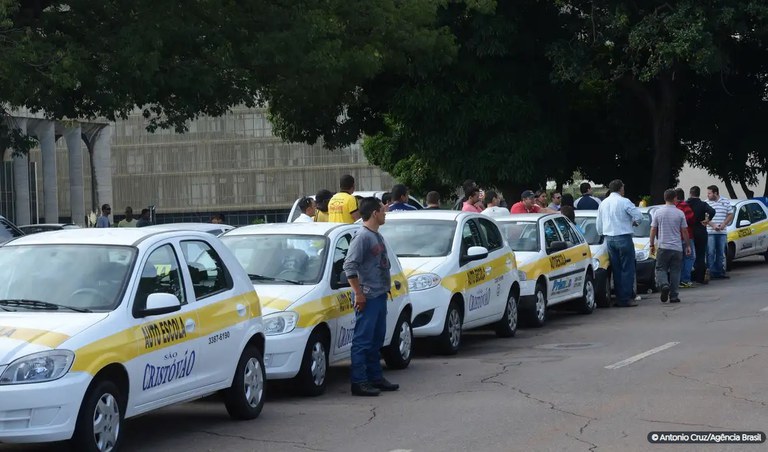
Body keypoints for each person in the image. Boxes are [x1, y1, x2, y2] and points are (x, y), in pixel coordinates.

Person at [343, 197, 398, 397]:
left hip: (380, 294)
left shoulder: (377, 236)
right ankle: (359, 381)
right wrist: (358, 293)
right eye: (382, 210)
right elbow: (349, 266)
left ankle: (375, 377)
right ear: (374, 213)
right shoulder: (362, 237)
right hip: (368, 296)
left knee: (376, 340)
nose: (385, 214)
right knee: (363, 340)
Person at [596, 179, 644, 307]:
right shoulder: (624, 201)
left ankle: (619, 297)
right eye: (623, 188)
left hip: (609, 238)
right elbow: (639, 216)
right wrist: (635, 223)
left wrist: (602, 233)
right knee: (627, 268)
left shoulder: (603, 203)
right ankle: (626, 297)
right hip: (623, 237)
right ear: (620, 189)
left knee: (616, 269)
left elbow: (599, 224)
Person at [650, 189, 692, 303]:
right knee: (675, 271)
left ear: (664, 198)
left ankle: (664, 285)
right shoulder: (680, 213)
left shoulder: (658, 212)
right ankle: (674, 296)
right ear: (675, 198)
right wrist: (688, 245)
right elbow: (684, 231)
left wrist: (651, 244)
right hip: (677, 247)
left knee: (660, 268)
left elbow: (653, 229)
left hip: (663, 246)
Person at [686, 186, 715, 284]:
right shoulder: (702, 204)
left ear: (690, 193)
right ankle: (700, 277)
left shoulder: (686, 204)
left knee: (689, 255)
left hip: (689, 231)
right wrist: (707, 220)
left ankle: (688, 276)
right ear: (699, 194)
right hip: (701, 230)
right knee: (701, 255)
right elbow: (712, 211)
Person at [705, 185, 733, 279]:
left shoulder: (725, 201)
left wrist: (724, 224)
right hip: (710, 232)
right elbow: (704, 218)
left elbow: (730, 214)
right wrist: (713, 225)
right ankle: (711, 272)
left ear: (715, 193)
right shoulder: (706, 203)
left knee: (721, 252)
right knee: (711, 252)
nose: (707, 195)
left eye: (709, 193)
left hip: (722, 232)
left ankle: (720, 272)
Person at [674, 188, 696, 288]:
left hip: (675, 237)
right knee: (690, 257)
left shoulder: (672, 207)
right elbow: (691, 220)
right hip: (687, 236)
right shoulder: (684, 207)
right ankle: (685, 280)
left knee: (679, 259)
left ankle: (677, 280)